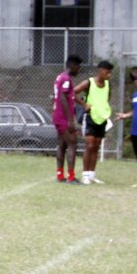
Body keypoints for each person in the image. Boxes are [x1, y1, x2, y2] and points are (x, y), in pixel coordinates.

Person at [75, 59, 114, 185]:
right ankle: (85, 174)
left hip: (101, 118)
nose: (109, 75)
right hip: (90, 117)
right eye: (107, 73)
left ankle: (92, 174)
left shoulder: (108, 85)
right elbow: (72, 92)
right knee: (90, 145)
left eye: (110, 73)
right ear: (101, 71)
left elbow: (107, 98)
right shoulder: (89, 83)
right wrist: (84, 103)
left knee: (96, 146)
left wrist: (103, 109)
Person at [51, 55, 82, 183]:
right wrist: (70, 120)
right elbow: (63, 97)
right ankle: (71, 176)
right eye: (78, 67)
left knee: (62, 145)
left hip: (57, 115)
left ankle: (60, 175)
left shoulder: (60, 77)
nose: (79, 70)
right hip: (63, 117)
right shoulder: (66, 79)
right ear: (72, 66)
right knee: (72, 143)